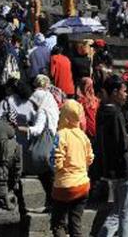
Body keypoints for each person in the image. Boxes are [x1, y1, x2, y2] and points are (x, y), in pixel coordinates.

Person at [95, 75, 128, 237]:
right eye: (124, 91)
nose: (126, 95)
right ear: (114, 92)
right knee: (127, 213)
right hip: (125, 167)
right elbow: (123, 144)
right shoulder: (115, 113)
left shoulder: (102, 111)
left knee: (117, 211)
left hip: (113, 168)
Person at [51, 100, 94, 237]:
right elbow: (90, 158)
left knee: (58, 223)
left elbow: (56, 159)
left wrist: (57, 171)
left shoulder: (61, 134)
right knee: (75, 223)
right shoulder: (83, 136)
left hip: (64, 186)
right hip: (82, 184)